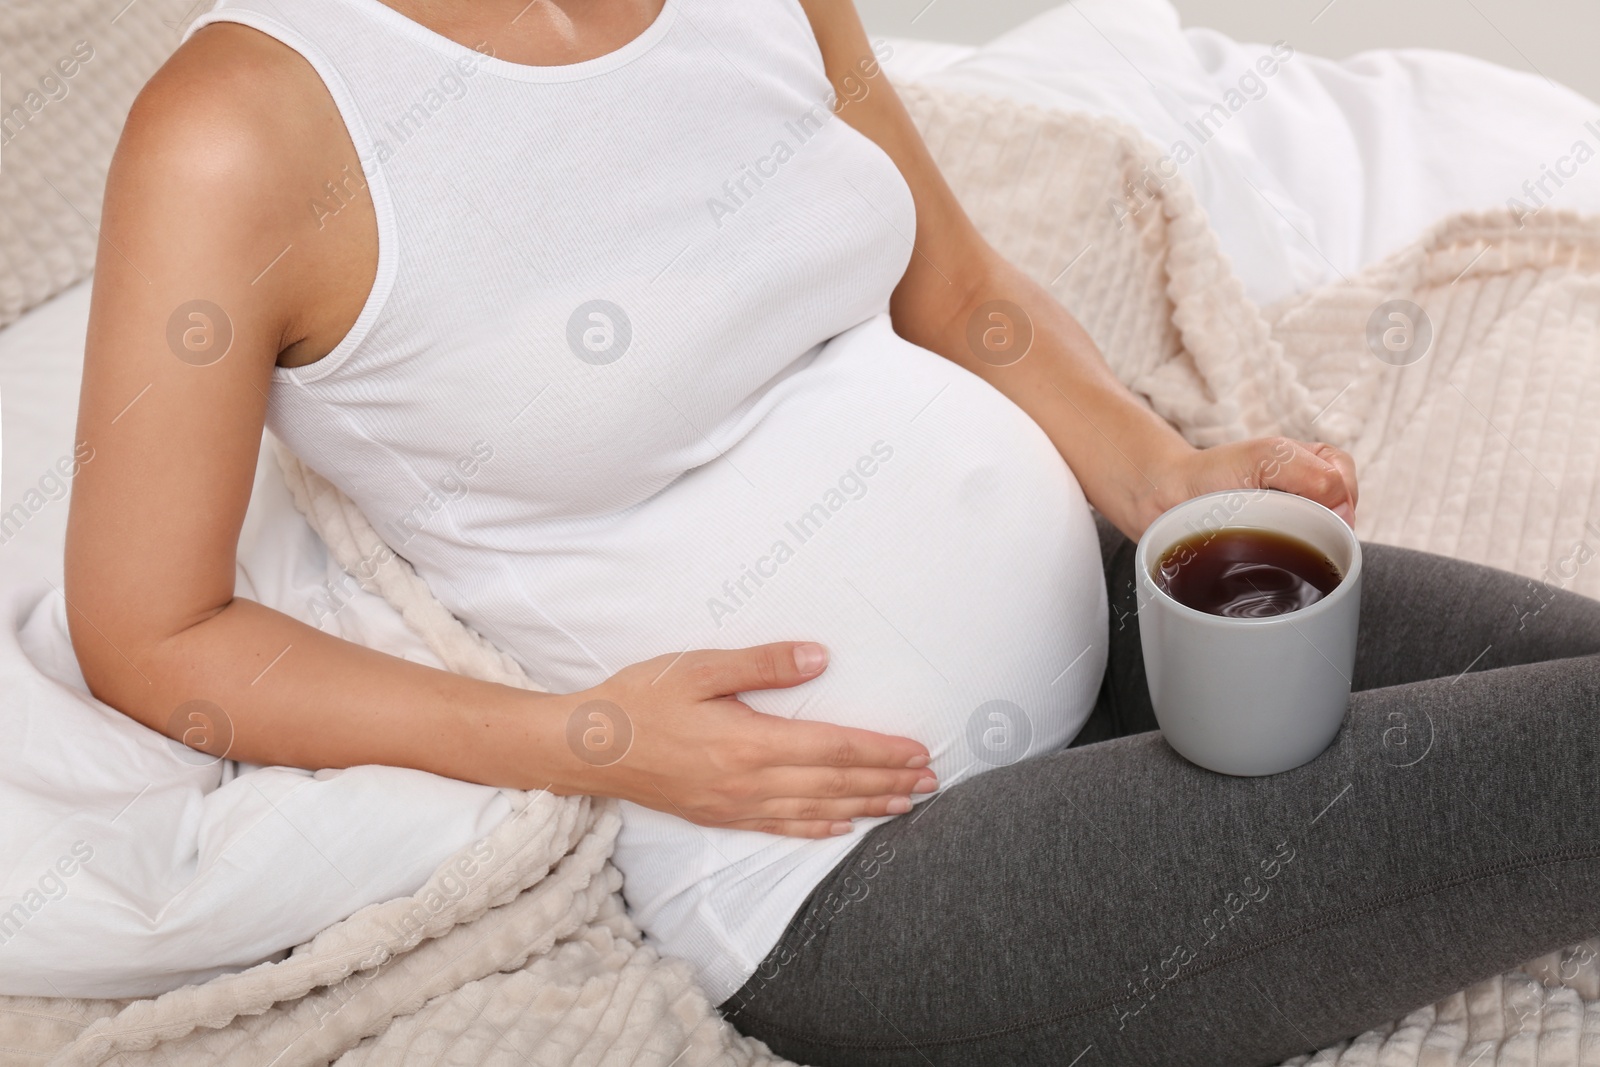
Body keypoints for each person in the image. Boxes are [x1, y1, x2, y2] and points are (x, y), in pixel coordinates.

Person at [64, 0, 1600, 1063]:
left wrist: (1163, 476)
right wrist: (587, 738)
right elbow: (151, 633)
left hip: (1126, 611)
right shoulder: (242, 127)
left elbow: (962, 291)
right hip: (849, 876)